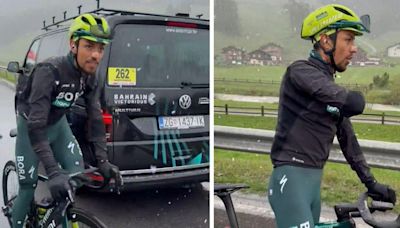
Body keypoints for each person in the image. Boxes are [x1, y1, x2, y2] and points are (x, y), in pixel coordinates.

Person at [267, 4, 396, 228]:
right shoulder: (300, 72)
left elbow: (349, 142)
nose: (354, 48)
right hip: (291, 180)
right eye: (348, 40)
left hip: (312, 184)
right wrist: (354, 100)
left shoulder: (328, 88)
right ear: (326, 41)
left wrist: (371, 183)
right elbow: (350, 101)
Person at [12, 13, 120, 227]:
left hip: (58, 126)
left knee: (75, 175)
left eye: (101, 48)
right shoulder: (49, 71)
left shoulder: (90, 77)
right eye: (89, 46)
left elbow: (96, 119)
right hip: (31, 128)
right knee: (27, 186)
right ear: (73, 45)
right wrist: (52, 172)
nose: (96, 55)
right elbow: (36, 124)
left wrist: (103, 161)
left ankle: (52, 212)